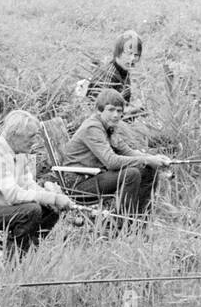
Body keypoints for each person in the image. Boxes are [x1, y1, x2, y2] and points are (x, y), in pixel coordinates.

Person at [0, 110, 73, 256]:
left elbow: (28, 185)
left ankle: (29, 252)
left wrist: (51, 197)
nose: (34, 141)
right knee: (32, 210)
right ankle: (14, 259)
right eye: (31, 136)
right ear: (15, 134)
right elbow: (12, 195)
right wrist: (53, 198)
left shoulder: (19, 153)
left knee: (51, 209)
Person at [62, 88, 170, 224]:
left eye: (119, 111)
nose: (116, 115)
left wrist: (154, 159)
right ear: (99, 110)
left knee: (148, 170)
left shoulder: (109, 127)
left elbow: (128, 151)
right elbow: (111, 162)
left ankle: (140, 221)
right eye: (111, 110)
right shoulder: (92, 128)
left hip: (95, 176)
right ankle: (121, 224)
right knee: (131, 174)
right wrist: (146, 159)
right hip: (78, 184)